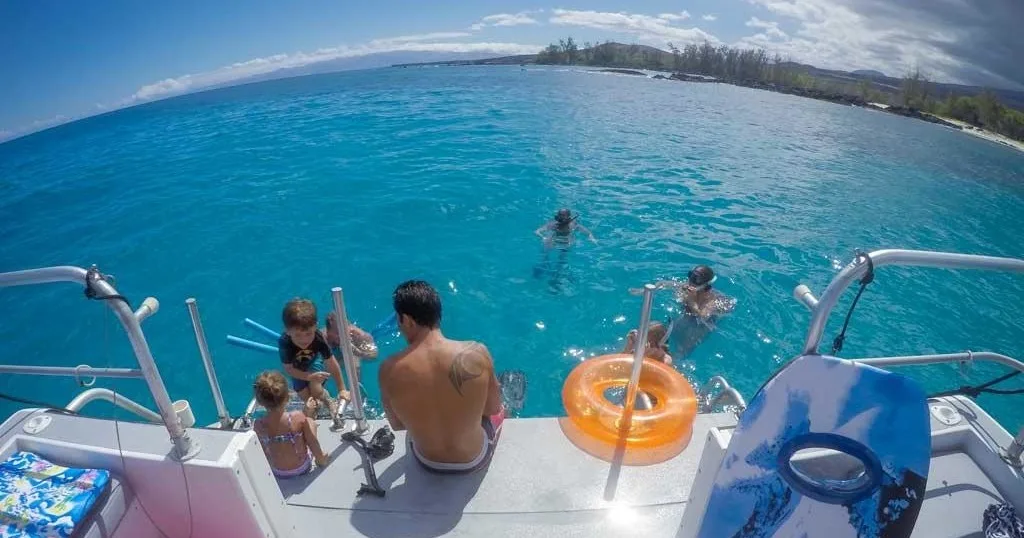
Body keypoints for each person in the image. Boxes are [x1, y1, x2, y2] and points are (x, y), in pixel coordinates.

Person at [378, 280, 504, 474]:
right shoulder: (476, 352)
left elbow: (397, 425)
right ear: (437, 314)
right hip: (472, 459)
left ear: (408, 320)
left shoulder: (389, 369)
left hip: (427, 461)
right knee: (500, 409)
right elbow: (492, 408)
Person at [278, 298, 349, 419]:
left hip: (314, 362)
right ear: (288, 331)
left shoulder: (318, 337)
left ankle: (328, 401)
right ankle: (316, 407)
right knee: (306, 397)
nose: (304, 339)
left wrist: (342, 389)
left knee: (316, 391)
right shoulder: (285, 342)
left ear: (315, 327)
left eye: (308, 334)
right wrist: (307, 376)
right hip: (296, 369)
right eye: (298, 335)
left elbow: (331, 362)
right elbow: (289, 369)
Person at [252, 370, 329, 478]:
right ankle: (320, 459)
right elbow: (311, 441)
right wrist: (320, 458)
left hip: (278, 471)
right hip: (301, 467)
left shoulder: (258, 425)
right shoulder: (297, 417)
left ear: (260, 402)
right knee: (309, 421)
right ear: (287, 397)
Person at [323, 311, 378, 384]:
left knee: (354, 360)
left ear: (348, 327)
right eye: (337, 333)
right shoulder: (322, 338)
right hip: (334, 356)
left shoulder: (360, 336)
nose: (342, 336)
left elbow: (373, 356)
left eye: (344, 331)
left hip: (352, 353)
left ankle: (357, 389)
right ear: (328, 332)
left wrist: (357, 352)